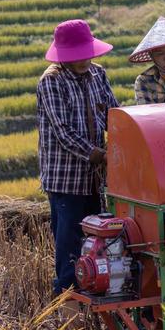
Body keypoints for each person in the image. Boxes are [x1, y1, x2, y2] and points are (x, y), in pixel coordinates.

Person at [37, 19, 119, 296]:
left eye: (86, 53)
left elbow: (113, 116)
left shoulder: (98, 75)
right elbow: (63, 131)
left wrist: (131, 139)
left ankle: (93, 305)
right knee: (69, 249)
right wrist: (100, 155)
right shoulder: (51, 81)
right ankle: (67, 311)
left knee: (95, 245)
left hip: (95, 179)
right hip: (66, 181)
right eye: (76, 55)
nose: (84, 59)